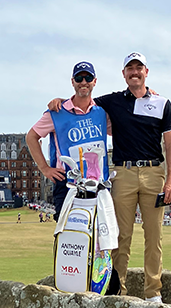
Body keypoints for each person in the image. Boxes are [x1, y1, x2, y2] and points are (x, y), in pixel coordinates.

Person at [49, 52, 171, 303]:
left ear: (146, 72)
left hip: (153, 173)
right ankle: (119, 291)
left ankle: (153, 293)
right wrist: (60, 101)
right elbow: (83, 98)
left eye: (139, 68)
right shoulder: (114, 101)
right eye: (130, 69)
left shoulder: (162, 103)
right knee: (119, 236)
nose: (134, 72)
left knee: (154, 236)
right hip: (123, 174)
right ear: (124, 74)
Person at [26, 61, 109, 222]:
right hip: (67, 183)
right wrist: (44, 168)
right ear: (72, 82)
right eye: (79, 78)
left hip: (98, 183)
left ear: (95, 81)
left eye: (88, 77)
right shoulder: (57, 112)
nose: (83, 82)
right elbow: (31, 137)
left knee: (96, 236)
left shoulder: (101, 113)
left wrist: (146, 93)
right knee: (69, 238)